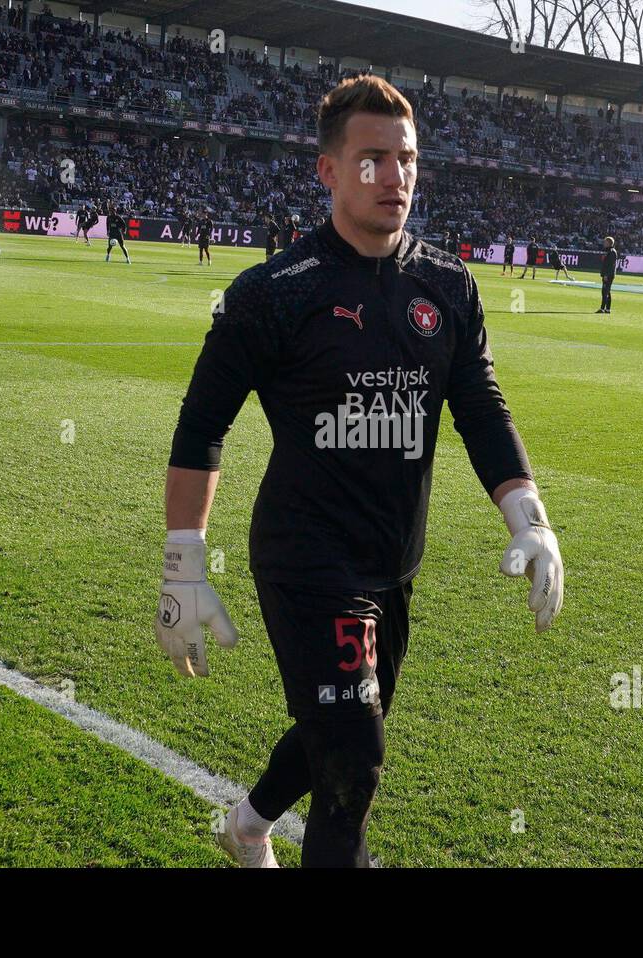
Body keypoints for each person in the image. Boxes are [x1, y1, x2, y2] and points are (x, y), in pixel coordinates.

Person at [157, 74, 564, 869]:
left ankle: (245, 825)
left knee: (340, 727)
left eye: (407, 159)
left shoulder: (447, 286)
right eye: (373, 159)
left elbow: (480, 409)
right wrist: (183, 563)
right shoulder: (273, 293)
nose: (396, 176)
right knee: (355, 762)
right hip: (305, 558)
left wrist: (531, 517)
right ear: (329, 172)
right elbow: (203, 424)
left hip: (394, 562)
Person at [597, 235, 618, 313]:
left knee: (604, 291)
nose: (604, 243)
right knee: (607, 291)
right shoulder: (608, 251)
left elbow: (610, 265)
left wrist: (606, 274)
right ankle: (607, 309)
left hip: (608, 275)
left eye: (605, 242)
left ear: (609, 243)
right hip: (607, 274)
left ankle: (602, 308)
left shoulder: (612, 252)